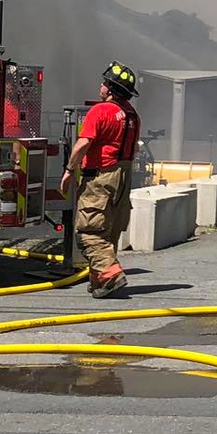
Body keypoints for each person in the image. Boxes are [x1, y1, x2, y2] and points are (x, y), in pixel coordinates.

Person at [59, 61, 141, 297]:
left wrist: (69, 170)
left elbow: (83, 143)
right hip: (123, 176)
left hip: (101, 177)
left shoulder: (100, 111)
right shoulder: (132, 115)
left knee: (89, 232)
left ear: (111, 89)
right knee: (108, 232)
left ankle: (110, 273)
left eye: (105, 83)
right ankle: (100, 281)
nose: (101, 85)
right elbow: (133, 148)